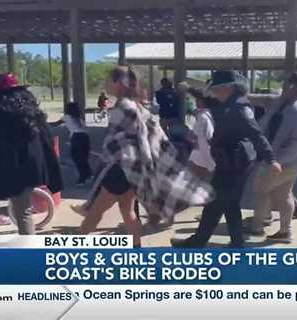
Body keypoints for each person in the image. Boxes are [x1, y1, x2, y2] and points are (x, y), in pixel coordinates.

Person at [78, 66, 213, 247]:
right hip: (132, 171)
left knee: (94, 212)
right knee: (127, 211)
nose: (106, 84)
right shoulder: (137, 106)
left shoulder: (124, 107)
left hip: (122, 169)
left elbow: (135, 141)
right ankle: (136, 248)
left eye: (109, 80)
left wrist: (141, 166)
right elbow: (153, 139)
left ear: (119, 83)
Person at [171, 70, 281, 248]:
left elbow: (257, 135)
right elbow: (204, 97)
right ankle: (237, 243)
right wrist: (189, 88)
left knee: (214, 204)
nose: (213, 92)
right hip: (230, 161)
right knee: (231, 203)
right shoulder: (222, 103)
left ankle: (198, 242)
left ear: (229, 88)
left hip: (235, 163)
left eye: (216, 89)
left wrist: (271, 159)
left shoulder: (241, 110)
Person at [0, 73, 62, 235]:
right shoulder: (33, 111)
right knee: (22, 211)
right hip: (33, 167)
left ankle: (28, 251)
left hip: (8, 168)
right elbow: (46, 138)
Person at [250, 72, 297, 243]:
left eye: (284, 84)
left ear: (293, 87)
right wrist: (243, 96)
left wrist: (276, 161)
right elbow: (265, 99)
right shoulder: (284, 101)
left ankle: (257, 226)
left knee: (260, 189)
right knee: (284, 193)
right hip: (287, 159)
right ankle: (285, 232)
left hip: (287, 160)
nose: (281, 87)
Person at [50, 102, 92, 186]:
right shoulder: (79, 117)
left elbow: (55, 124)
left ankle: (82, 179)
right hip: (85, 137)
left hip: (77, 138)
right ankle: (88, 174)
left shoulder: (66, 117)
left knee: (77, 158)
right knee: (83, 158)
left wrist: (43, 122)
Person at [186, 87, 216, 180]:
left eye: (197, 99)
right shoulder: (210, 114)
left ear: (202, 101)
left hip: (199, 156)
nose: (195, 101)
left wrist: (189, 135)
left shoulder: (202, 117)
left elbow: (197, 139)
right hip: (209, 155)